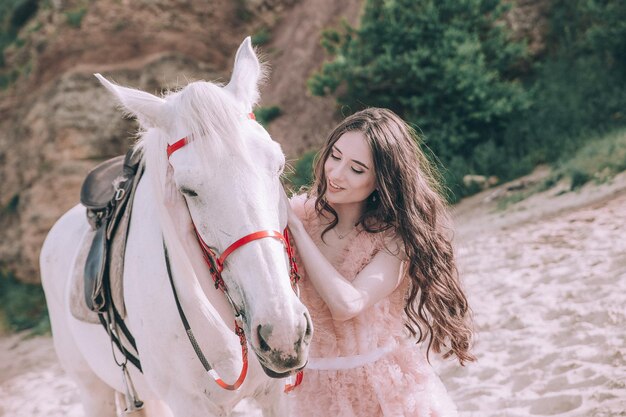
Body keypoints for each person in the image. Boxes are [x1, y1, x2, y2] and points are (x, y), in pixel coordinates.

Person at [286, 108, 475, 416]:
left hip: (384, 391)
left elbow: (347, 305)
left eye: (356, 169)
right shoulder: (297, 216)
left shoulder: (395, 238)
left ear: (381, 181)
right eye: (335, 156)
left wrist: (294, 229)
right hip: (315, 392)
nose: (335, 174)